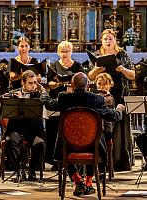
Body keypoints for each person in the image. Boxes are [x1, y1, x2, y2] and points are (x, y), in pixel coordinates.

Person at [43, 72, 125, 196]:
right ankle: (88, 183)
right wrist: (119, 108)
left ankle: (78, 181)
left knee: (63, 146)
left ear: (72, 84)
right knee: (94, 140)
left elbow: (49, 104)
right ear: (88, 86)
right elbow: (113, 117)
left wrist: (43, 94)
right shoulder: (97, 99)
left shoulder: (64, 97)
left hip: (69, 146)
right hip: (93, 145)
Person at [87, 29, 135, 170]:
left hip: (119, 93)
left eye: (110, 39)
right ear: (102, 41)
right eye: (105, 39)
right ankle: (103, 162)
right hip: (102, 97)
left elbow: (132, 75)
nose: (108, 41)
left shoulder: (123, 54)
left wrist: (122, 70)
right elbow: (90, 77)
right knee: (103, 126)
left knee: (119, 128)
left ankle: (119, 162)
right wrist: (96, 70)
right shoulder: (97, 55)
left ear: (115, 40)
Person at [45, 40, 84, 167]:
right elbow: (49, 83)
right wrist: (56, 84)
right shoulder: (54, 65)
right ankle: (55, 160)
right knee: (54, 130)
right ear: (58, 52)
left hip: (73, 101)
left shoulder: (77, 66)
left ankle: (72, 160)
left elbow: (83, 82)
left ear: (71, 52)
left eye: (67, 51)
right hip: (57, 100)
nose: (64, 54)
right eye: (62, 51)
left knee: (70, 130)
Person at [4, 70, 46, 181]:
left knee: (40, 144)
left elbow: (47, 107)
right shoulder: (14, 93)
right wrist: (14, 100)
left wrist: (43, 93)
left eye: (35, 82)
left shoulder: (39, 95)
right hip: (16, 129)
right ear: (23, 82)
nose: (33, 86)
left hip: (33, 130)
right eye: (30, 83)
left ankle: (32, 171)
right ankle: (19, 171)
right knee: (9, 140)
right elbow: (1, 108)